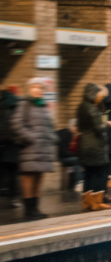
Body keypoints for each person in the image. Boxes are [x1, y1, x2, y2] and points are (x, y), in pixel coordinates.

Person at [10, 78, 58, 219]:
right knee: (29, 179)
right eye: (34, 87)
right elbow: (16, 123)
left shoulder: (42, 105)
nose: (37, 90)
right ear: (29, 89)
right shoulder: (24, 103)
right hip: (29, 149)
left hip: (42, 150)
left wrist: (52, 138)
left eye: (40, 88)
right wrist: (31, 137)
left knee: (38, 178)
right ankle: (28, 210)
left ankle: (35, 209)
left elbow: (49, 126)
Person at [78, 83, 111, 212]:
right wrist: (107, 124)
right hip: (95, 146)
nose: (100, 98)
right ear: (93, 94)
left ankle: (86, 202)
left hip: (85, 144)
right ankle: (96, 202)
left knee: (88, 174)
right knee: (98, 173)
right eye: (98, 95)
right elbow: (98, 127)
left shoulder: (81, 106)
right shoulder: (91, 108)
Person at [0, 86, 21, 208]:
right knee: (13, 173)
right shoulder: (15, 105)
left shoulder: (1, 104)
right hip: (12, 145)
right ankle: (13, 199)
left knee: (4, 172)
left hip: (2, 145)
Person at [57, 119, 81, 190]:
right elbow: (63, 152)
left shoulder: (74, 135)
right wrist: (76, 154)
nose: (78, 130)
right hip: (63, 158)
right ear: (72, 126)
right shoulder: (65, 134)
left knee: (82, 160)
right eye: (77, 127)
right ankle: (79, 182)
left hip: (71, 157)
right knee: (78, 160)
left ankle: (72, 185)